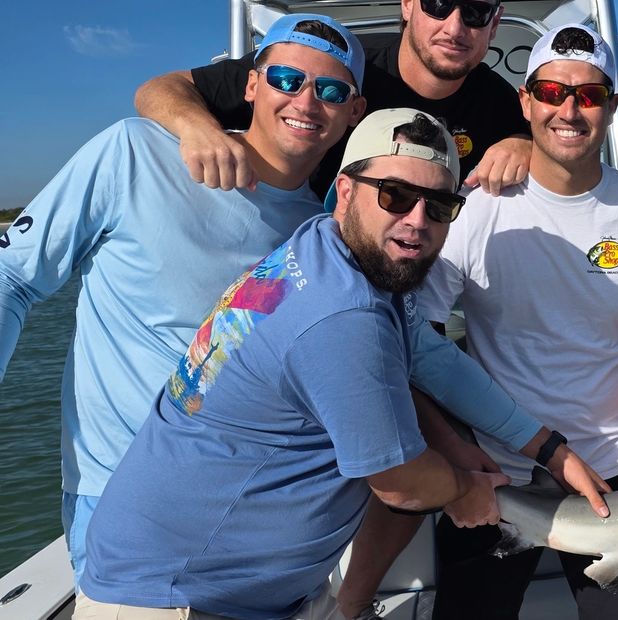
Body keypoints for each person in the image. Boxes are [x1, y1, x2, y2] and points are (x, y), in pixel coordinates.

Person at [75, 108, 610, 620]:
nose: (417, 221)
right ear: (346, 191)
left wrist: (547, 448)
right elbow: (400, 482)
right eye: (396, 195)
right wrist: (464, 488)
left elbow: (429, 357)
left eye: (439, 205)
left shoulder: (327, 247)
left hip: (252, 589)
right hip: (178, 597)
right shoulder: (342, 314)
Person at [0, 13, 368, 587]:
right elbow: (12, 279)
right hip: (121, 504)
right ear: (251, 85)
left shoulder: (324, 234)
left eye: (330, 90)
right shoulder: (133, 151)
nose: (306, 101)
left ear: (353, 111)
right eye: (286, 80)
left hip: (261, 520)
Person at [414, 23, 618, 620]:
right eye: (552, 91)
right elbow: (418, 342)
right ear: (526, 101)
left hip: (613, 473)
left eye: (588, 96)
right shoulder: (476, 210)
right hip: (495, 472)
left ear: (611, 106)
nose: (569, 108)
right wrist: (454, 452)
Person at [136, 0, 530, 195]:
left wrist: (525, 144)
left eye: (476, 12)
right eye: (439, 4)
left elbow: (561, 139)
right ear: (408, 4)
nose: (455, 26)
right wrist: (200, 130)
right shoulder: (340, 68)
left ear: (495, 25)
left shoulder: (500, 103)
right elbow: (160, 89)